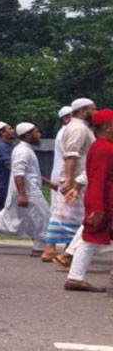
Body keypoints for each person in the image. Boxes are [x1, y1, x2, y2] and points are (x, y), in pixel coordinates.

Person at [64, 108, 113, 291]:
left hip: (104, 201)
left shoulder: (103, 146)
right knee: (90, 239)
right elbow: (98, 180)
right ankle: (75, 278)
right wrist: (97, 208)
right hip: (104, 201)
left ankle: (75, 277)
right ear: (108, 127)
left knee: (90, 240)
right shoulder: (104, 149)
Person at [0, 123, 52, 255]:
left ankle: (39, 248)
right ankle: (43, 249)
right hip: (28, 191)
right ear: (28, 135)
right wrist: (22, 195)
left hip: (29, 189)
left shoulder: (26, 149)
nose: (39, 135)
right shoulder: (22, 151)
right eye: (37, 132)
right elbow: (19, 172)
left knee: (15, 217)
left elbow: (31, 172)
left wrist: (49, 182)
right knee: (44, 217)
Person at [49, 99, 96, 268]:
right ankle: (66, 253)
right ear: (83, 110)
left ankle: (67, 253)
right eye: (93, 109)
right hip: (79, 181)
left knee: (87, 220)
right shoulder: (78, 128)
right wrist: (70, 181)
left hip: (82, 179)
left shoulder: (81, 127)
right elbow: (71, 155)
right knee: (92, 219)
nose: (96, 112)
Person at [42, 106, 74, 262]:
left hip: (65, 175)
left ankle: (68, 249)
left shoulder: (69, 131)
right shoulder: (69, 132)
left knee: (66, 212)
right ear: (66, 118)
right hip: (68, 175)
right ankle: (52, 248)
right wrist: (69, 179)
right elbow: (71, 156)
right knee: (63, 212)